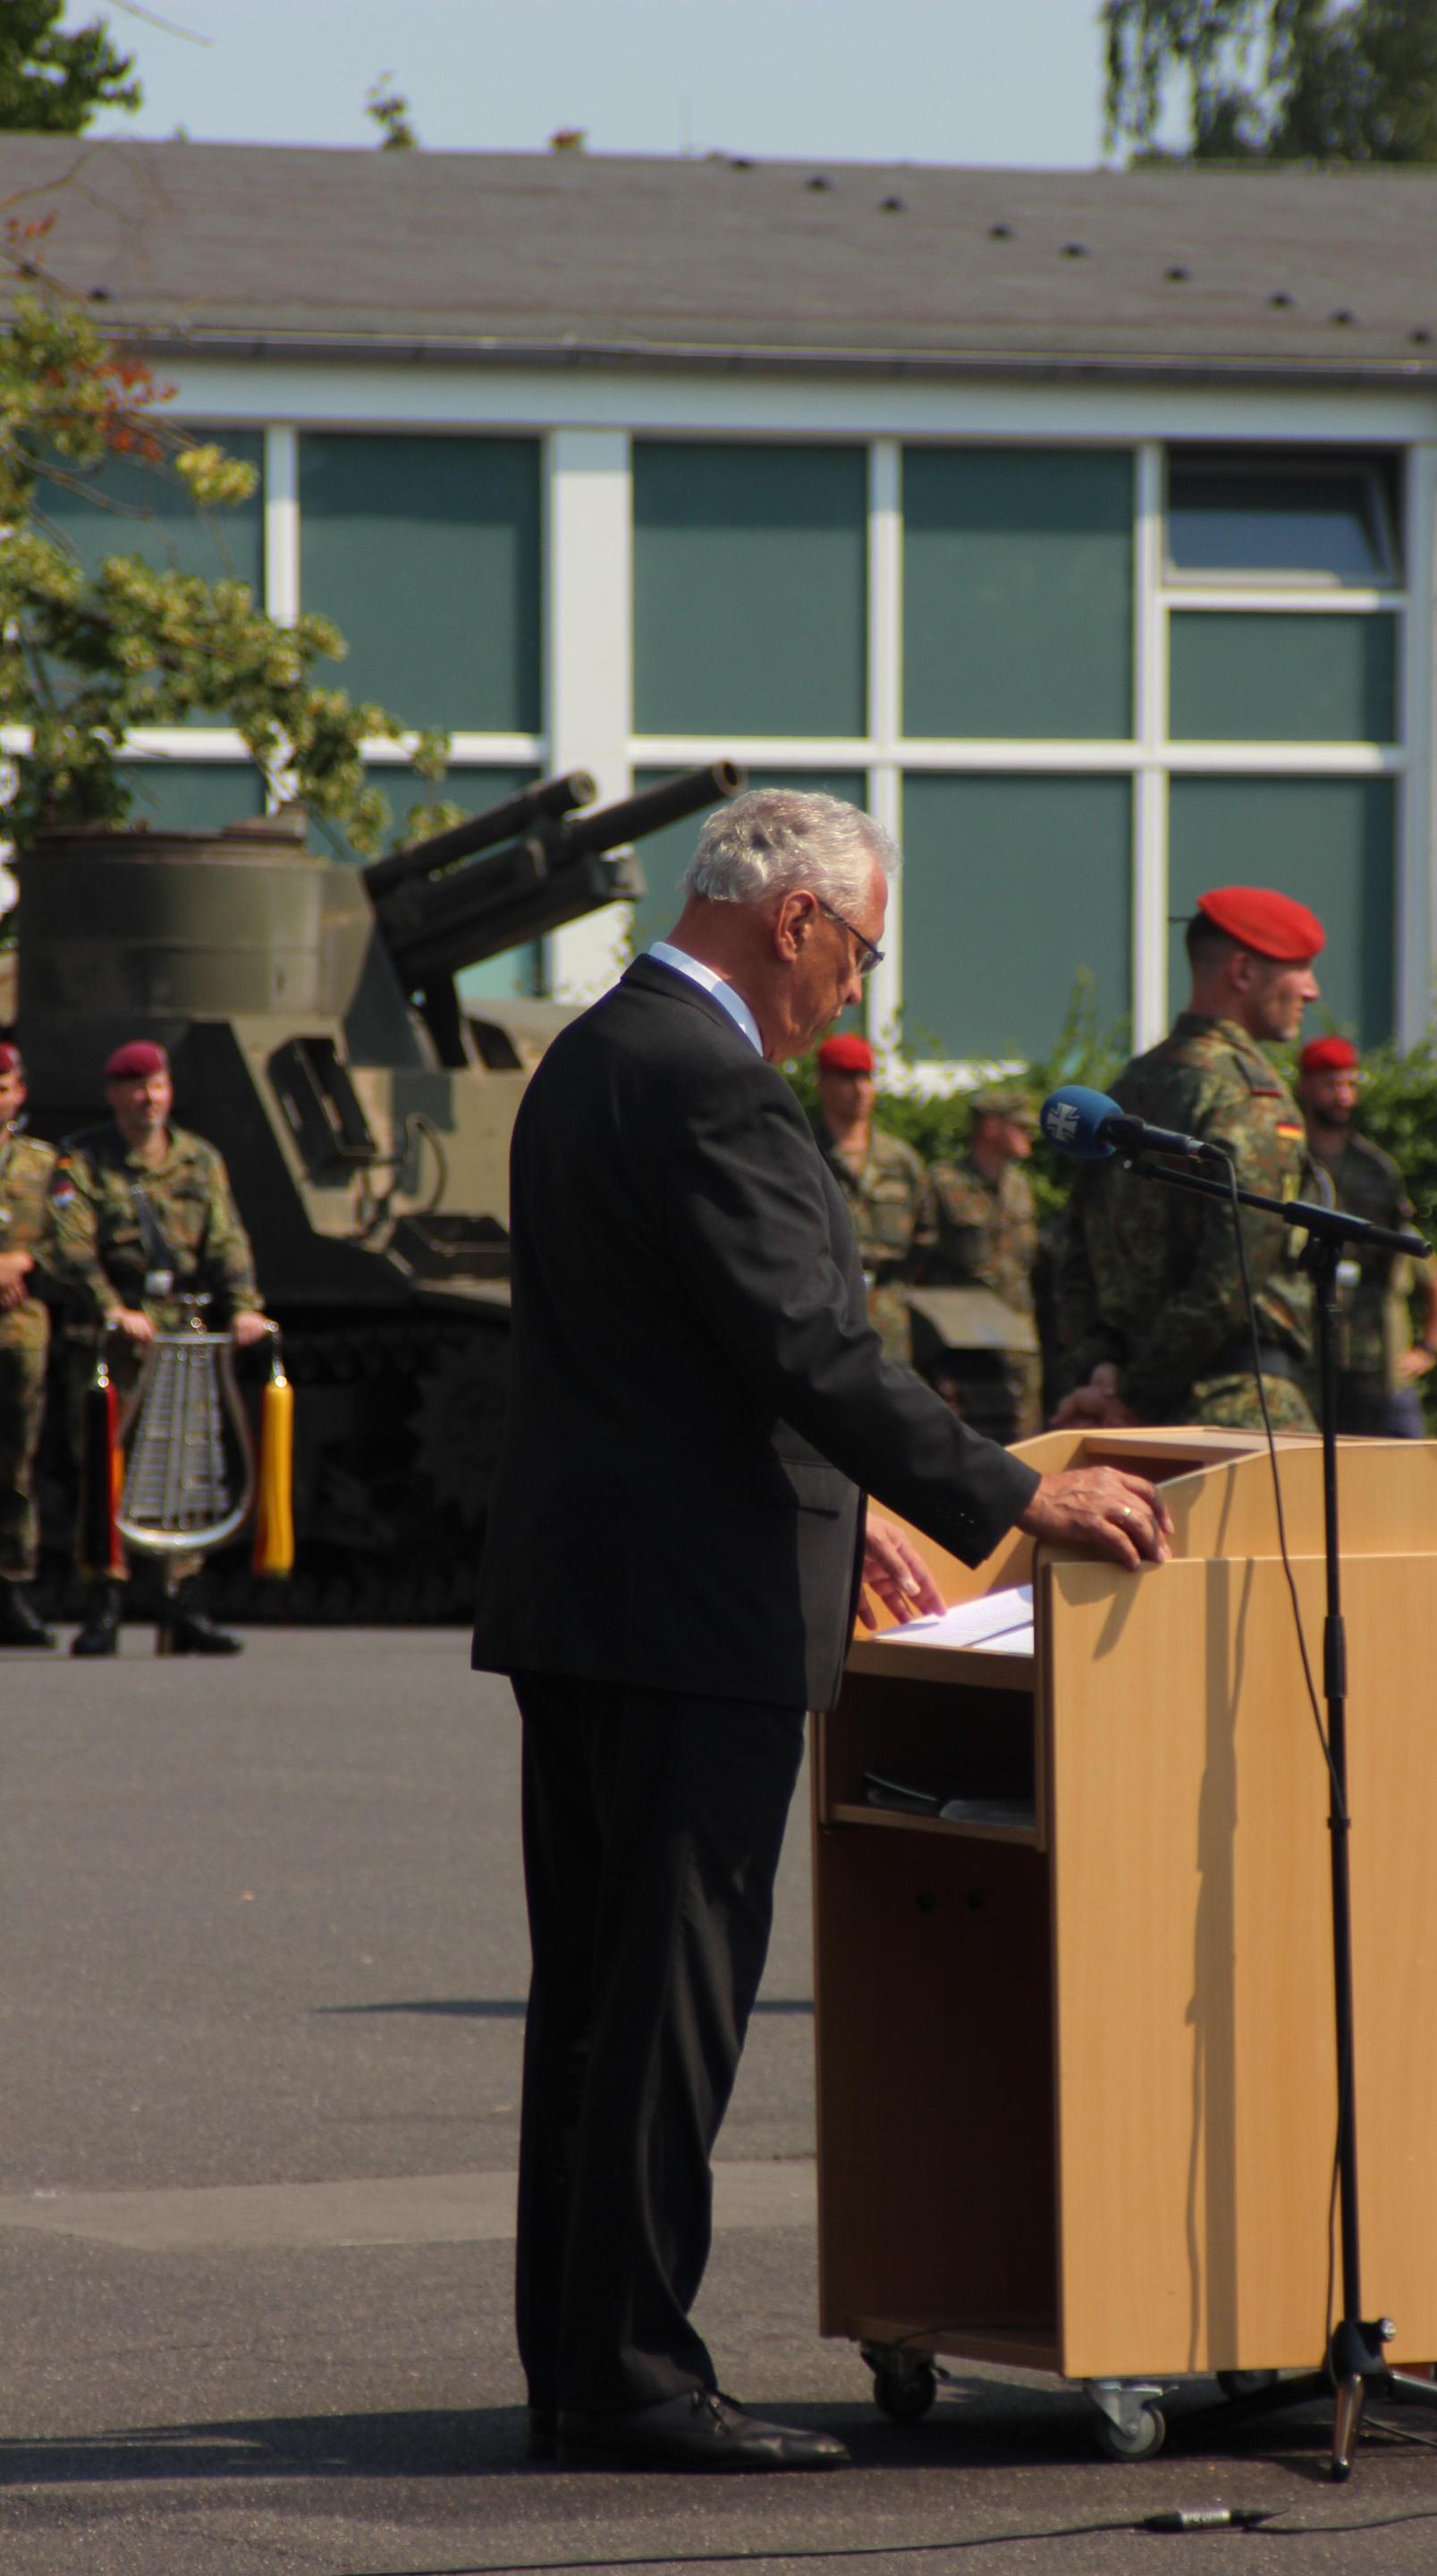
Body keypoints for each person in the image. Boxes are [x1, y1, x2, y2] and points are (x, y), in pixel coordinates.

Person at [471, 786, 1171, 2477]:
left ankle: (583, 2364)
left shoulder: (590, 1055)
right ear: (794, 920)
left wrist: (857, 1527)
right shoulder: (712, 1081)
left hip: (590, 1595)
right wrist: (1016, 1495)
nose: (854, 992)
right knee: (669, 1999)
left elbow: (698, 1360)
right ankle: (635, 2379)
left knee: (596, 2002)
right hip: (692, 1612)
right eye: (858, 955)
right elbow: (809, 1350)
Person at [1054, 886, 1323, 1435]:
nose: (1312, 990)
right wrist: (1138, 1395)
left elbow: (1074, 1253)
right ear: (1242, 972)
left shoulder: (1130, 1085)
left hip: (1129, 1409)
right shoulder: (1249, 1096)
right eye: (1299, 970)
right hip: (1236, 1410)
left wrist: (1101, 1373)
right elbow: (1233, 1276)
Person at [51, 1039, 276, 1657]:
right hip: (117, 1336)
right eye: (135, 1088)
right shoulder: (84, 1161)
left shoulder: (199, 1160)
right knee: (106, 1467)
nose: (148, 1099)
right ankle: (106, 1600)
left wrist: (244, 1306)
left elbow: (227, 1240)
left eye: (157, 1086)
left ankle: (182, 1604)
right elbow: (70, 1246)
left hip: (182, 1332)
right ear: (113, 1095)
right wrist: (110, 1309)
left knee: (185, 1466)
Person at [1296, 1035, 1437, 1437]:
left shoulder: (1378, 1169)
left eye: (1350, 1084)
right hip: (1307, 1355)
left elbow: (1422, 1265)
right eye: (1331, 1084)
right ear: (1306, 1086)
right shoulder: (1290, 1162)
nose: (1343, 1096)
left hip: (1378, 1359)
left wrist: (1428, 1348)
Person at [808, 1031, 935, 1368]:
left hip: (888, 1320)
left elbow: (925, 1237)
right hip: (823, 1312)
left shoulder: (900, 1161)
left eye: (866, 1078)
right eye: (848, 1078)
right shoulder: (805, 1152)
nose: (861, 1090)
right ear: (822, 1083)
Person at [924, 1085, 1042, 1436]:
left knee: (1026, 1452)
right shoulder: (943, 1183)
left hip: (1019, 1353)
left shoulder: (1020, 1186)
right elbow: (918, 1268)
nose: (1029, 1132)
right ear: (990, 1126)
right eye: (1019, 1125)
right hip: (967, 1356)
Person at [0, 1041, 61, 1648]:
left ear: (18, 1094)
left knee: (15, 1462)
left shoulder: (44, 1166)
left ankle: (11, 1586)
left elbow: (72, 1240)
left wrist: (23, 1262)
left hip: (18, 1333)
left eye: (2, 1089)